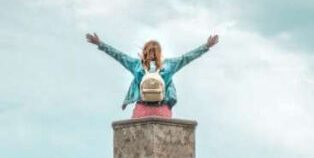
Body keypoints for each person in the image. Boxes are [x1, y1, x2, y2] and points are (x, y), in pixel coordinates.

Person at [85, 32, 219, 119]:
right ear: (160, 52)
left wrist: (100, 44)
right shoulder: (169, 66)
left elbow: (118, 55)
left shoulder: (136, 66)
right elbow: (187, 58)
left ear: (144, 52)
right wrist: (206, 46)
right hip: (162, 109)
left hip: (142, 108)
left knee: (136, 144)